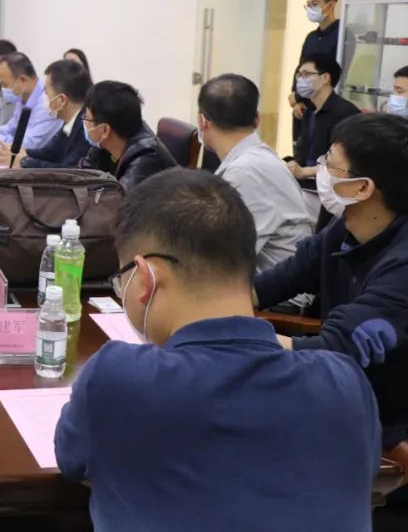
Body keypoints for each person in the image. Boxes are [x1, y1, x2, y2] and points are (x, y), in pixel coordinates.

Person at [55, 168, 380, 532]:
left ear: (146, 277)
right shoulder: (345, 384)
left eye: (121, 282)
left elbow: (72, 460)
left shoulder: (117, 378)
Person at [255, 113, 408, 449]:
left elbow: (334, 350)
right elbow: (277, 281)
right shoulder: (345, 228)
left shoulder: (402, 265)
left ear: (363, 187)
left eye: (331, 164)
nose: (320, 169)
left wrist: (233, 336)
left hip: (378, 427)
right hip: (334, 399)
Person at [197, 74, 312, 271]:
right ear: (257, 119)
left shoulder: (246, 172)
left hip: (275, 289)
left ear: (202, 122)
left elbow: (225, 260)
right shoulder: (253, 161)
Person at [80, 81, 176, 191]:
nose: (84, 122)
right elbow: (83, 173)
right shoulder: (107, 142)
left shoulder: (144, 159)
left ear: (105, 130)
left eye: (86, 117)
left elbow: (120, 199)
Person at [287, 54, 360, 184]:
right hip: (305, 183)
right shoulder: (308, 111)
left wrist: (306, 172)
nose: (301, 80)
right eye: (299, 75)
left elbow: (345, 164)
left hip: (332, 186)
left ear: (325, 78)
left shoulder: (345, 113)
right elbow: (302, 152)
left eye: (306, 74)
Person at [0, 52, 61, 158]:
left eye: (5, 84)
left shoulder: (47, 103)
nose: (3, 89)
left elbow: (28, 145)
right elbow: (11, 128)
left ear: (22, 80)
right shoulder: (23, 98)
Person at [289, 0, 349, 124]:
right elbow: (301, 68)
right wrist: (297, 99)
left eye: (315, 4)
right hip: (304, 106)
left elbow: (338, 73)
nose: (310, 9)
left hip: (327, 106)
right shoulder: (311, 37)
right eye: (308, 5)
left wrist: (299, 96)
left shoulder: (342, 35)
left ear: (331, 5)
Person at [21, 59, 91, 169]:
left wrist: (24, 162)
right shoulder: (69, 121)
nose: (44, 98)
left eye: (46, 93)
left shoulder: (86, 128)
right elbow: (50, 152)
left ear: (62, 100)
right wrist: (23, 153)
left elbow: (66, 170)